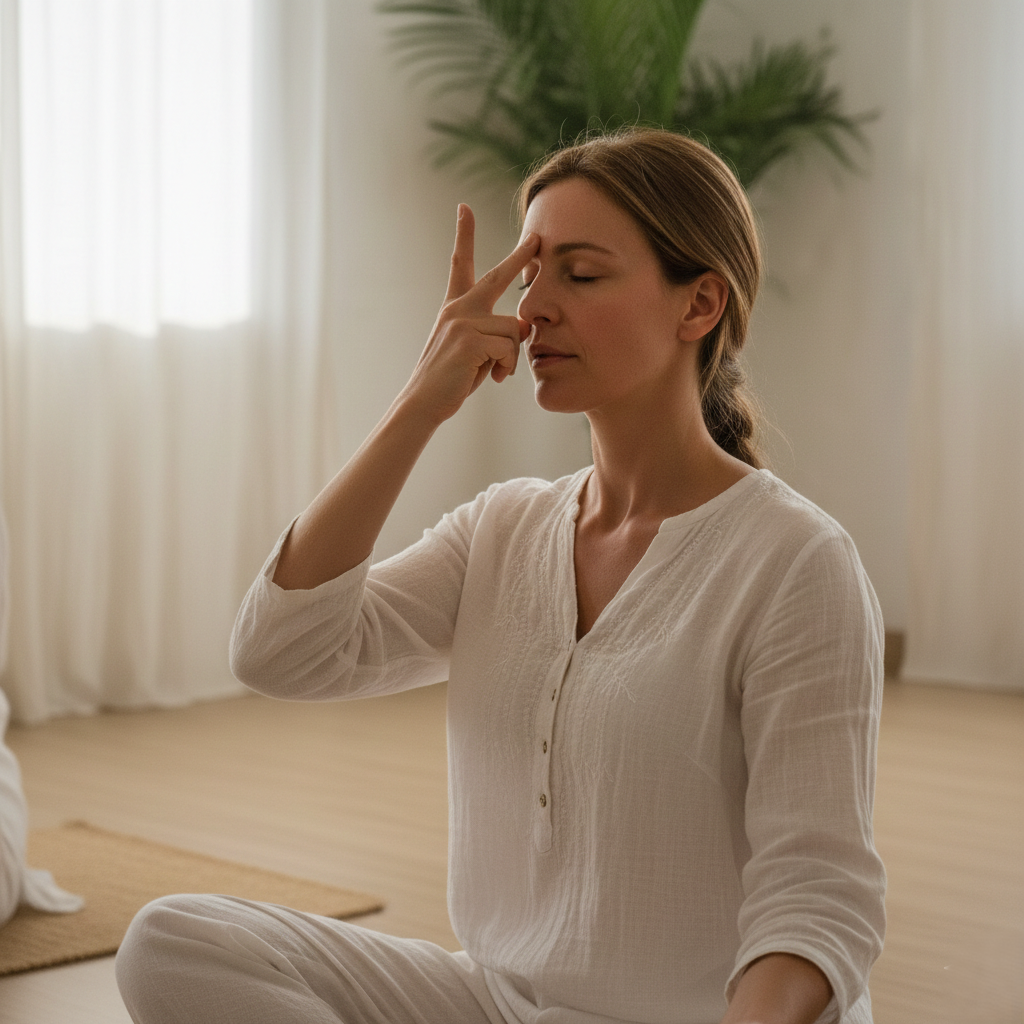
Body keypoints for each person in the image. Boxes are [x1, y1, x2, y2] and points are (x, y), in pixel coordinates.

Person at [116, 129, 886, 1024]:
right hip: (498, 1001)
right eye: (530, 275)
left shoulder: (795, 561)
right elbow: (280, 653)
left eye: (580, 274)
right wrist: (418, 404)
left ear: (699, 304)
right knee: (174, 941)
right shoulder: (505, 526)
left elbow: (818, 897)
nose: (532, 310)